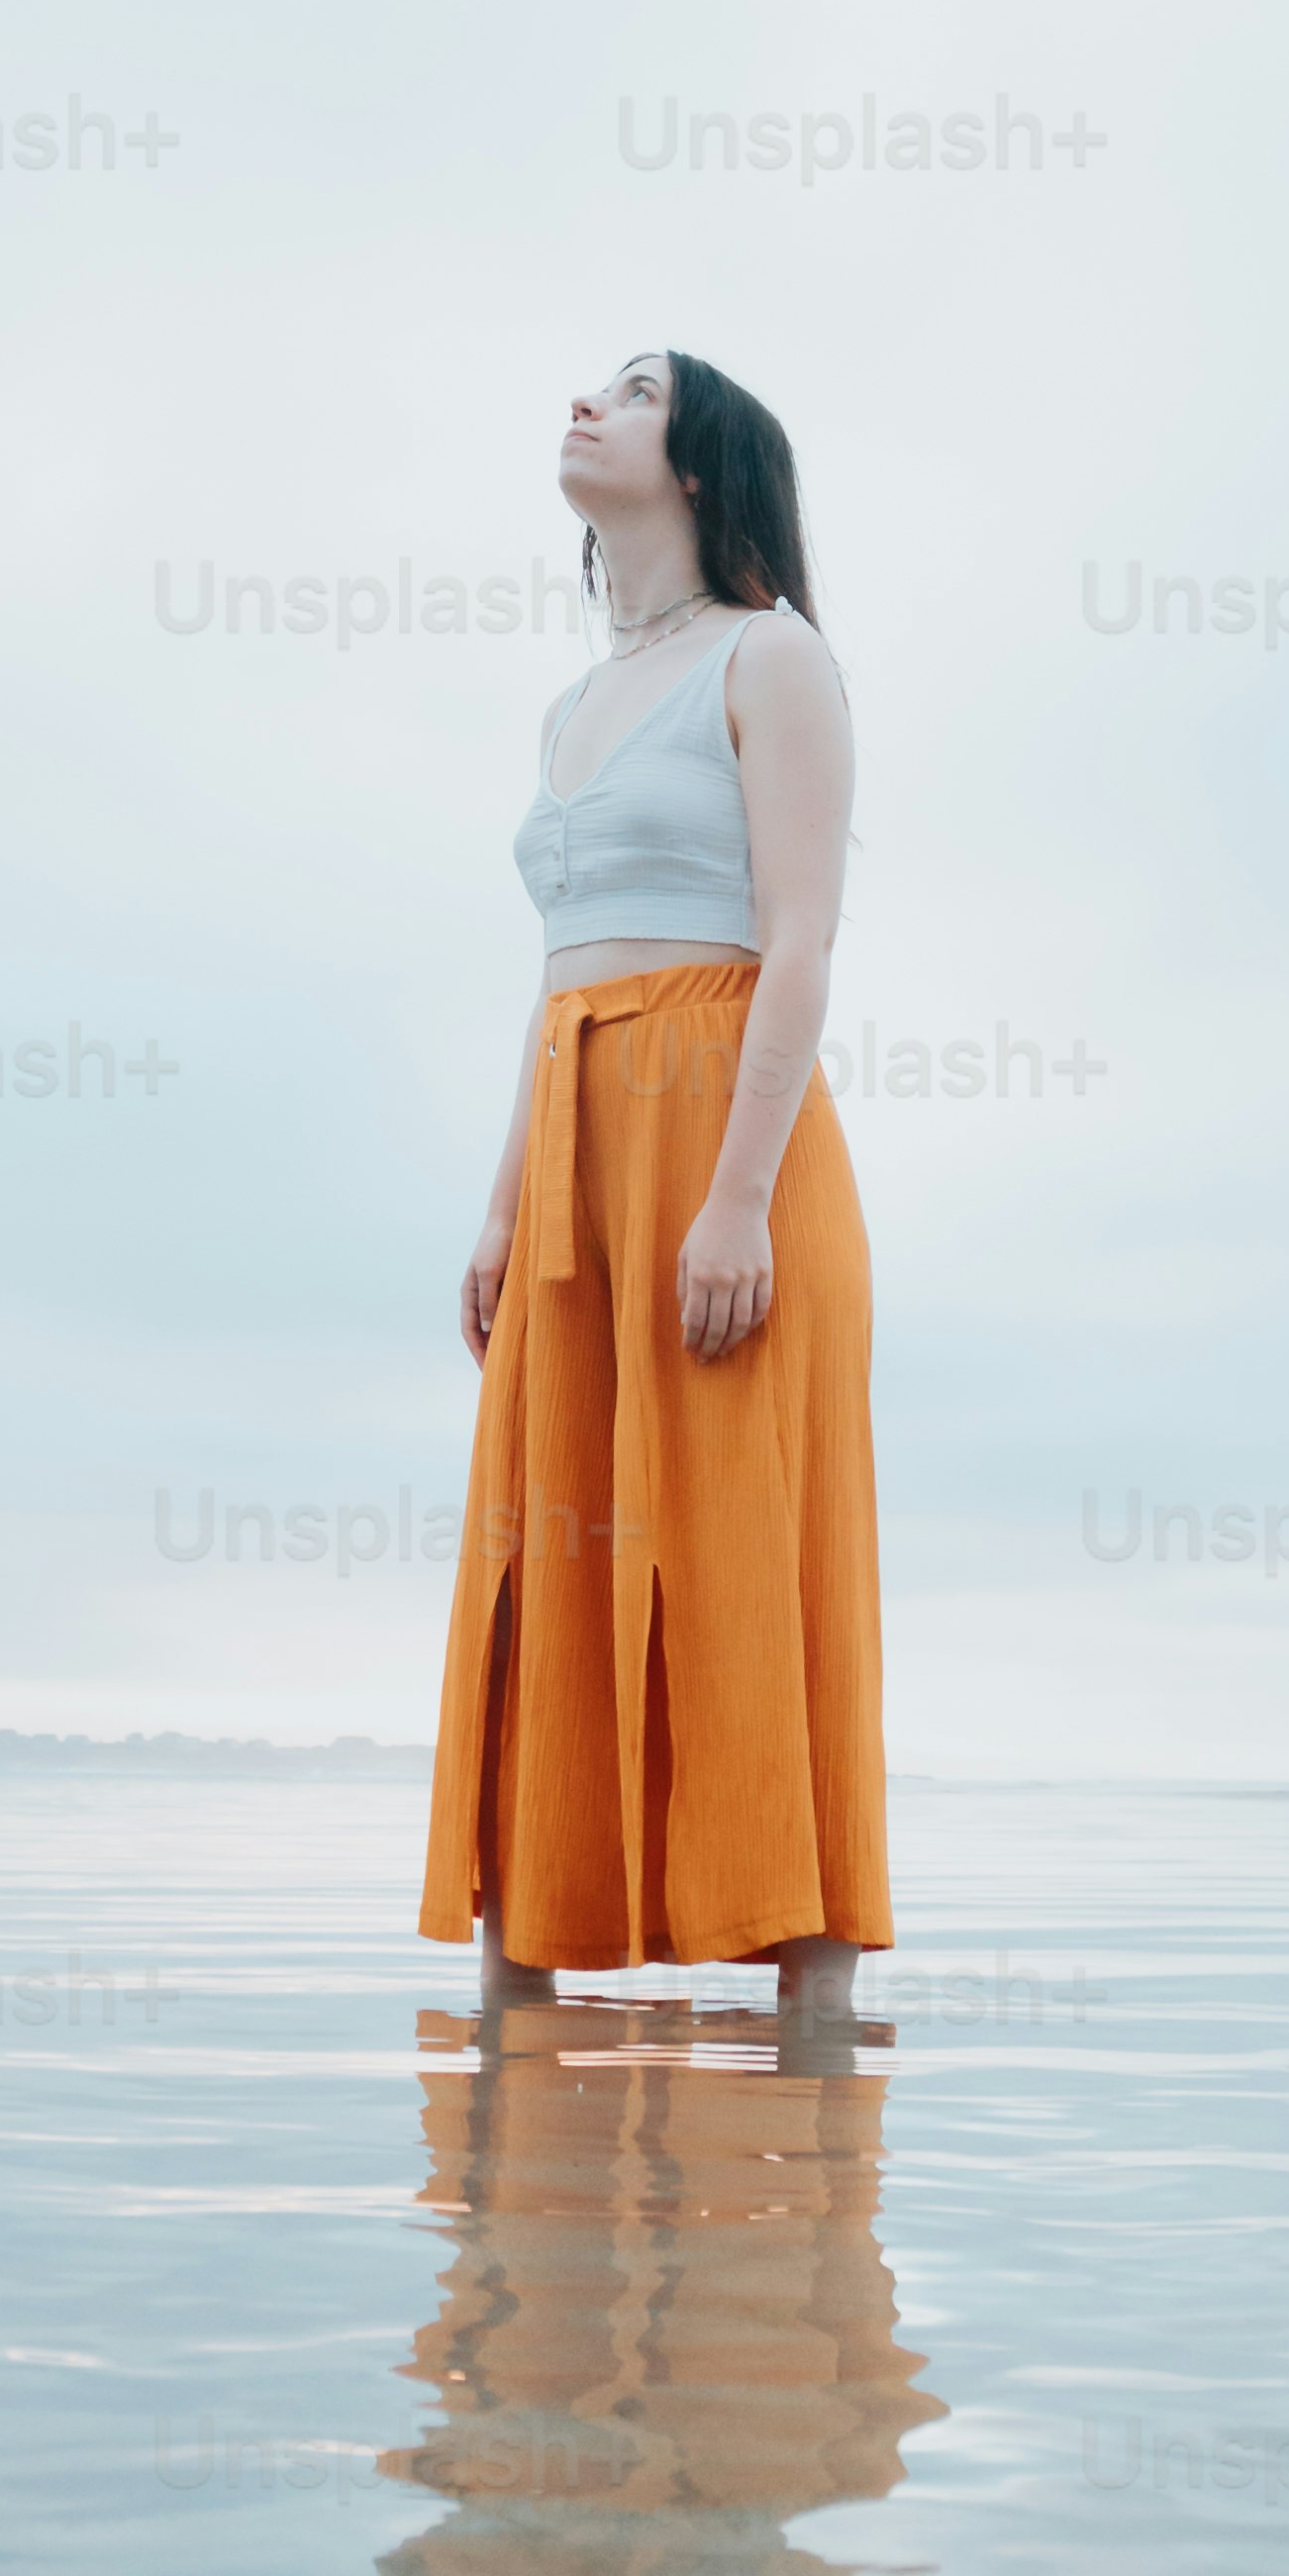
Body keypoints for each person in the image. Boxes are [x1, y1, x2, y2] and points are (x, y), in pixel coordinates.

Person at [418, 348, 890, 2033]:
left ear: (700, 464)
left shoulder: (774, 658)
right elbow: (558, 980)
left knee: (740, 1540)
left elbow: (803, 937)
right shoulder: (574, 704)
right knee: (545, 1540)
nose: (582, 398)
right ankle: (513, 2033)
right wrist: (499, 1204)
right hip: (571, 1141)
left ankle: (815, 2038)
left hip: (720, 1139)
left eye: (630, 389)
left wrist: (739, 1198)